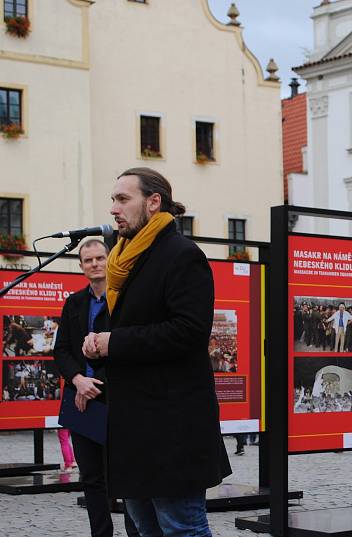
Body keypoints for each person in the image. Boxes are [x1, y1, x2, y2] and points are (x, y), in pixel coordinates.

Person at [82, 167, 231, 537]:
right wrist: (101, 342)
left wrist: (113, 342)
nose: (114, 209)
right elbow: (139, 326)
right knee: (145, 529)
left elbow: (188, 332)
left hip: (171, 427)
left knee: (181, 528)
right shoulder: (124, 260)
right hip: (132, 426)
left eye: (122, 199)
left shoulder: (182, 255)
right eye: (112, 200)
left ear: (153, 202)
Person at [53, 239, 144, 537]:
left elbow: (127, 347)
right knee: (91, 478)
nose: (94, 264)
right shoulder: (74, 303)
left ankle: (135, 532)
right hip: (82, 401)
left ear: (110, 260)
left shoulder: (124, 300)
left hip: (117, 399)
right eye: (88, 260)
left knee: (126, 476)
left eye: (99, 258)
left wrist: (94, 382)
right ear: (81, 267)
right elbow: (62, 351)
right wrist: (79, 380)